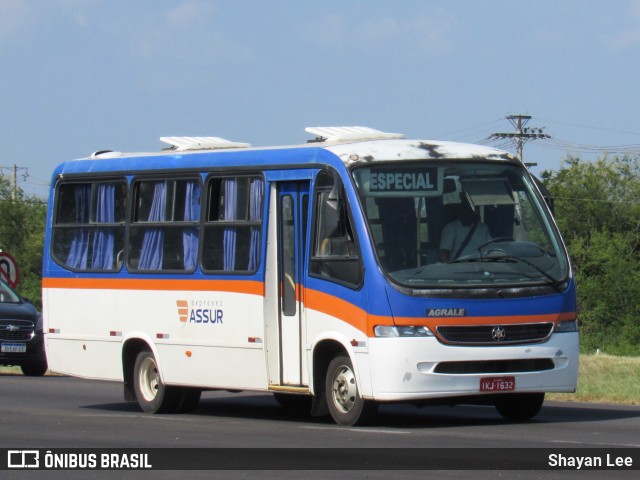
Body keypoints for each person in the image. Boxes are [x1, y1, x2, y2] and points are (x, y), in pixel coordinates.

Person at [439, 198, 491, 262]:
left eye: (470, 210)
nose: (468, 213)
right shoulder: (451, 228)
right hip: (459, 268)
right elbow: (443, 252)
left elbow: (490, 248)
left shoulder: (483, 228)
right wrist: (447, 269)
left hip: (481, 266)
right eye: (465, 210)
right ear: (460, 211)